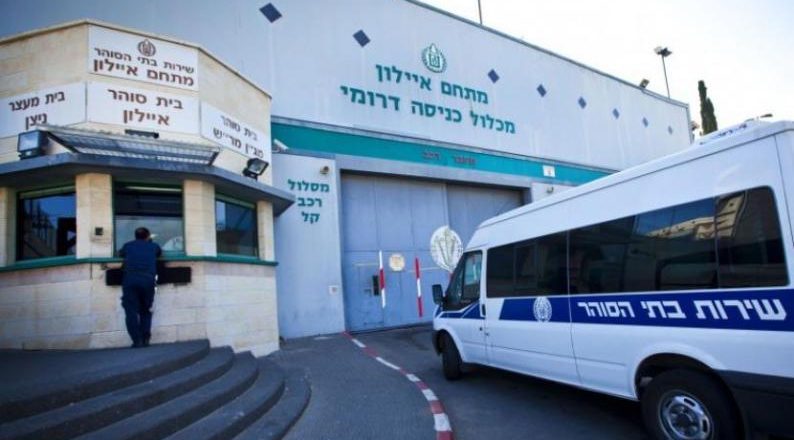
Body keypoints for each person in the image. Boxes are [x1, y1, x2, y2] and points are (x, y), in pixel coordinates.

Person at [119, 227, 162, 348]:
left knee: (130, 311)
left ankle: (137, 341)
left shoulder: (128, 245)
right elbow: (159, 253)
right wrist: (150, 242)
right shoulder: (153, 246)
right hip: (148, 280)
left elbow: (120, 253)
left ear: (135, 236)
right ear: (148, 236)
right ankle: (146, 338)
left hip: (130, 279)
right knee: (146, 310)